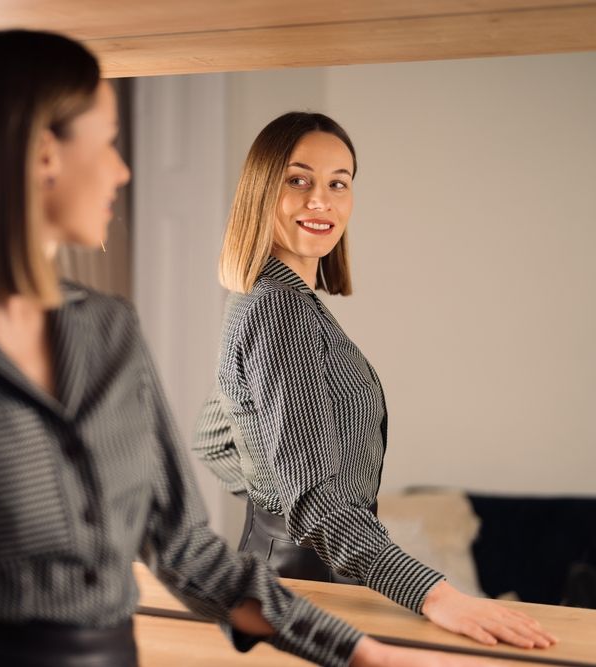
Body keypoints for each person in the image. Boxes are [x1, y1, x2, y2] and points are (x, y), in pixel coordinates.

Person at [0, 32, 503, 667]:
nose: (123, 171)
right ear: (38, 153)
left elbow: (184, 550)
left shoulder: (108, 331)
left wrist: (351, 647)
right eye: (104, 141)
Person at [193, 111, 556, 650]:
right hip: (305, 588)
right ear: (261, 190)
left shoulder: (261, 300)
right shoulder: (279, 312)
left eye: (338, 183)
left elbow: (213, 437)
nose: (322, 200)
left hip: (298, 574)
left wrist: (276, 497)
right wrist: (438, 595)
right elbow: (316, 499)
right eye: (299, 180)